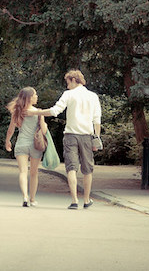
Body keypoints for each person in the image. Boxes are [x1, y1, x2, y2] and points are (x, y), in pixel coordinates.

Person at [28, 70, 101, 209]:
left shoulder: (69, 94)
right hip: (87, 136)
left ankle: (74, 201)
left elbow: (55, 111)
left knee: (71, 168)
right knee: (88, 169)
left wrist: (36, 112)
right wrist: (96, 139)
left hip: (70, 136)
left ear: (74, 80)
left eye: (68, 82)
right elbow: (97, 120)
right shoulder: (93, 96)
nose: (67, 86)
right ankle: (86, 200)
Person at [5, 87, 47, 207]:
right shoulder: (39, 112)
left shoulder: (17, 111)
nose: (37, 96)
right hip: (35, 146)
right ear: (29, 98)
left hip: (21, 144)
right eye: (35, 95)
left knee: (23, 172)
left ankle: (25, 196)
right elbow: (43, 131)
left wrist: (8, 141)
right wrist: (45, 124)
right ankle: (32, 199)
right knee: (34, 173)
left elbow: (10, 130)